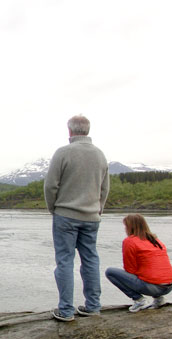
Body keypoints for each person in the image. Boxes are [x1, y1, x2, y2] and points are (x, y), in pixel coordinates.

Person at [44, 115, 110, 321]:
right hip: (92, 216)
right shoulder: (100, 155)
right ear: (87, 131)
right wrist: (99, 209)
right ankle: (93, 306)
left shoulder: (63, 153)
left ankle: (65, 311)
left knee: (64, 261)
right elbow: (104, 187)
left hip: (65, 214)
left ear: (70, 131)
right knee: (90, 259)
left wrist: (52, 208)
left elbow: (50, 185)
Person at [105, 214, 172, 312]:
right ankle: (159, 299)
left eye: (126, 226)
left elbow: (130, 269)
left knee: (110, 272)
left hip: (154, 287)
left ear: (130, 227)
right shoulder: (156, 240)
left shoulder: (130, 241)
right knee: (154, 272)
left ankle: (139, 300)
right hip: (170, 285)